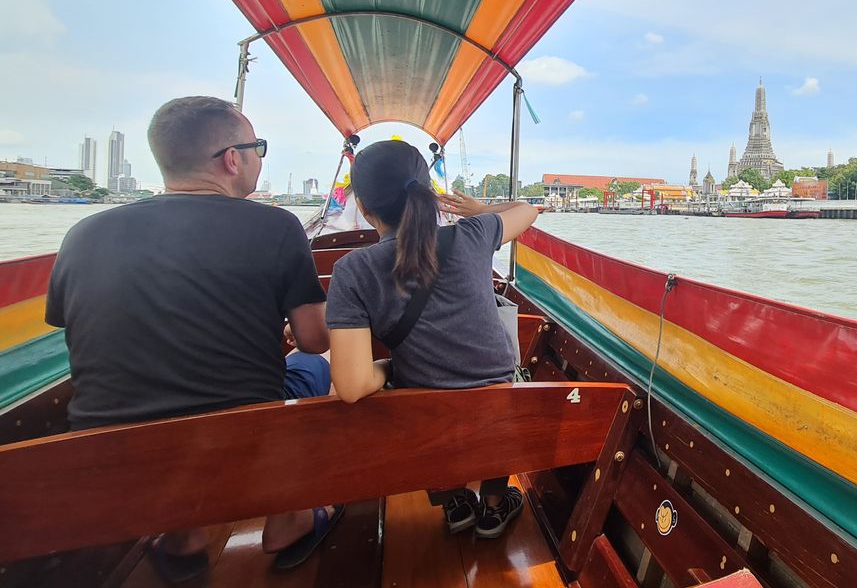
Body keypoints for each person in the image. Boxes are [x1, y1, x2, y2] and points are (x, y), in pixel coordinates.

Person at [45, 96, 343, 582]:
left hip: (105, 458)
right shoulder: (274, 225)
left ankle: (183, 538)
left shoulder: (83, 233)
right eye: (258, 147)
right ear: (232, 158)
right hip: (236, 445)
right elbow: (313, 338)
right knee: (321, 365)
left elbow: (77, 328)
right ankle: (287, 518)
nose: (258, 158)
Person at [325, 140, 538, 539]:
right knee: (502, 372)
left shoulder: (353, 270)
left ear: (365, 209)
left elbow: (350, 387)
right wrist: (480, 210)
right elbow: (529, 210)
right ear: (428, 192)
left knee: (417, 391)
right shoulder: (473, 235)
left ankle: (454, 501)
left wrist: (394, 367)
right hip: (498, 407)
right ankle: (494, 505)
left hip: (424, 422)